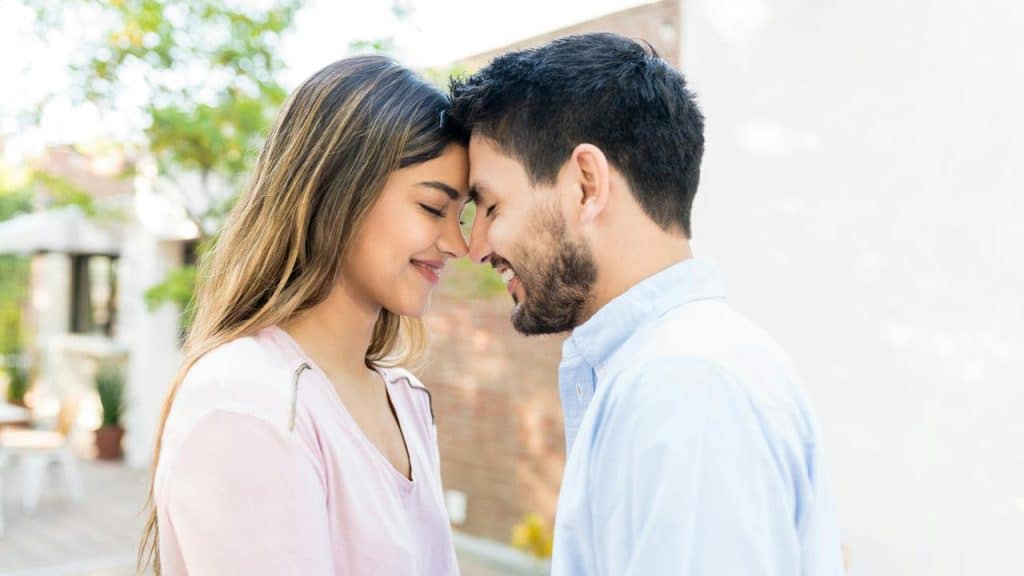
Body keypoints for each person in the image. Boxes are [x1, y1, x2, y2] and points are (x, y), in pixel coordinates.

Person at [451, 33, 845, 575]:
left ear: (586, 185)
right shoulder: (683, 368)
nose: (475, 248)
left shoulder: (683, 385)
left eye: (491, 205)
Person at [138, 55, 470, 575]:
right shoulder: (248, 399)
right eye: (432, 208)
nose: (458, 243)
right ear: (340, 190)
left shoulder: (405, 399)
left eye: (462, 214)